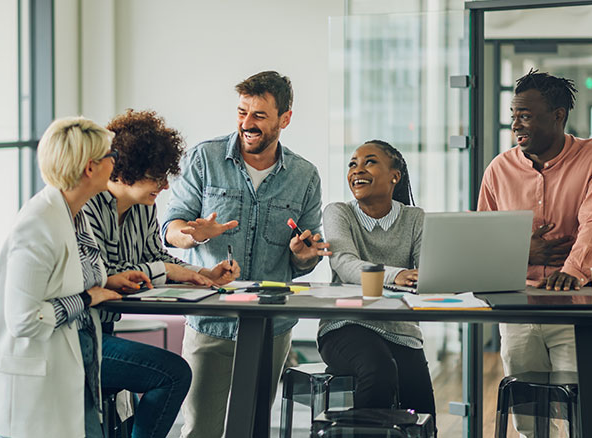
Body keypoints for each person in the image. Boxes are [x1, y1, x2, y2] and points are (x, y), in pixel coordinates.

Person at [163, 71, 330, 438]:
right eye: (242, 112)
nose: (247, 123)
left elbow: (304, 259)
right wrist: (190, 234)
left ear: (285, 119)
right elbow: (169, 229)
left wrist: (303, 254)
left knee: (251, 430)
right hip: (211, 322)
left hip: (271, 328)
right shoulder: (204, 159)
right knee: (201, 431)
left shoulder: (305, 176)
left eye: (259, 115)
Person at [0, 117, 148, 438]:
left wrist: (107, 282)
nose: (115, 163)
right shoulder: (37, 225)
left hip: (75, 368)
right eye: (111, 156)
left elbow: (63, 276)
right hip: (35, 383)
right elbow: (24, 319)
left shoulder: (76, 214)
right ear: (90, 168)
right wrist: (87, 298)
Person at [79, 109, 240, 438]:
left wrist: (201, 273)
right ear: (127, 170)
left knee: (168, 374)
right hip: (76, 337)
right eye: (156, 176)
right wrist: (165, 270)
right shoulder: (88, 205)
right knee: (173, 373)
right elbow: (102, 274)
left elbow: (154, 256)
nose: (165, 186)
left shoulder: (143, 207)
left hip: (102, 331)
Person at [478, 69, 592, 437]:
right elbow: (483, 239)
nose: (515, 125)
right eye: (513, 115)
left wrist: (572, 268)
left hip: (578, 304)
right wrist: (525, 251)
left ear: (558, 115)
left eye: (525, 115)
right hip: (518, 307)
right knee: (528, 419)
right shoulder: (499, 169)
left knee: (581, 413)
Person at [318, 140, 436, 427]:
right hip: (345, 326)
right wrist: (395, 275)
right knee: (380, 369)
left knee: (421, 407)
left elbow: (426, 273)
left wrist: (427, 275)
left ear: (395, 175)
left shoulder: (414, 218)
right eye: (353, 164)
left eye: (369, 162)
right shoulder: (339, 212)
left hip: (400, 330)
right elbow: (344, 264)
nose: (357, 169)